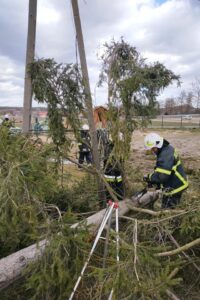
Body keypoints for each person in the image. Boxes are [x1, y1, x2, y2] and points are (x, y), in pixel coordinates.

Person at [143, 132, 188, 209]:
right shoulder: (165, 149)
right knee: (167, 205)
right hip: (172, 182)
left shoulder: (165, 155)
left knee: (169, 210)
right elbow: (162, 169)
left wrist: (150, 178)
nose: (152, 151)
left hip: (175, 185)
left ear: (158, 144)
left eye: (153, 148)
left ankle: (172, 220)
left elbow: (162, 177)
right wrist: (155, 182)